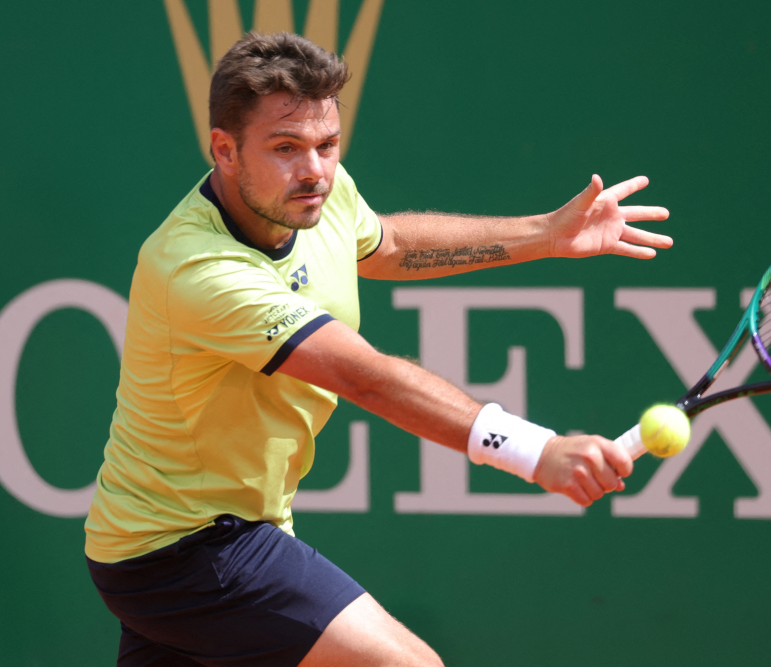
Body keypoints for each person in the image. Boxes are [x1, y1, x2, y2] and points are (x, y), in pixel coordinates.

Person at [84, 31, 672, 667]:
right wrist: (537, 452)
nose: (314, 169)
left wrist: (546, 235)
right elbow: (367, 378)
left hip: (175, 543)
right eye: (285, 148)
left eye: (327, 145)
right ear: (224, 151)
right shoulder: (196, 268)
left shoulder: (318, 193)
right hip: (189, 546)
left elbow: (386, 245)